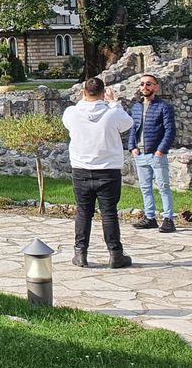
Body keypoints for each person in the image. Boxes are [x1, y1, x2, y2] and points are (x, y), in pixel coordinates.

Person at [62, 77, 135, 269]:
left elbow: (69, 122)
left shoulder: (72, 112)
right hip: (108, 169)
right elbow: (128, 123)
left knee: (83, 211)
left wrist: (83, 101)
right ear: (103, 93)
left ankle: (80, 253)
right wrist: (113, 102)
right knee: (109, 212)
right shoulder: (112, 113)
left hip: (81, 169)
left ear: (83, 92)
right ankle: (115, 254)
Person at [128, 73, 177, 233]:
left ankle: (168, 219)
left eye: (148, 84)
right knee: (145, 188)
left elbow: (170, 131)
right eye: (142, 84)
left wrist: (160, 150)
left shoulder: (164, 107)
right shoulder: (136, 107)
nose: (144, 87)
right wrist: (132, 147)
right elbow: (133, 129)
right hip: (140, 154)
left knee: (163, 187)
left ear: (156, 87)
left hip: (156, 154)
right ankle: (150, 218)